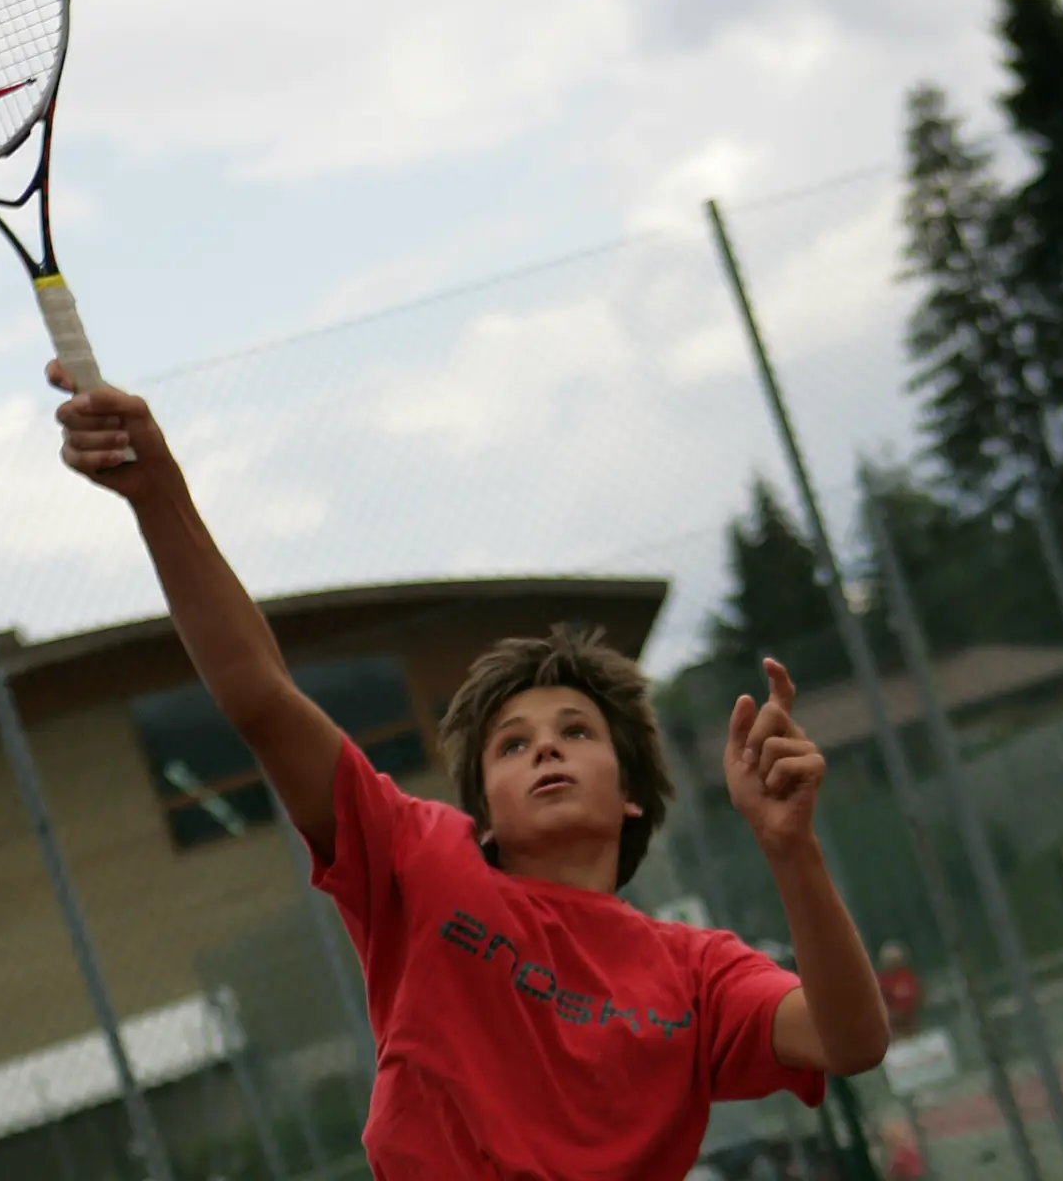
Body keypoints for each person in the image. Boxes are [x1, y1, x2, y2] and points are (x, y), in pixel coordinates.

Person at [49, 365, 890, 1179]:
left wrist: (792, 850)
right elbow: (260, 698)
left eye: (575, 731)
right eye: (511, 745)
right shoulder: (420, 860)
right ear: (482, 813)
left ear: (630, 794)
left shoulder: (695, 972)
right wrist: (159, 495)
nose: (545, 748)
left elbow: (847, 1039)